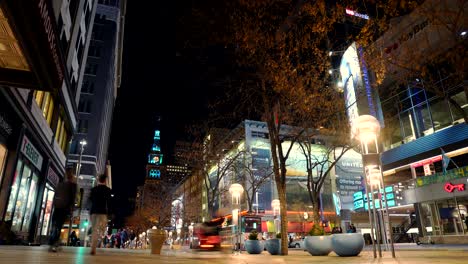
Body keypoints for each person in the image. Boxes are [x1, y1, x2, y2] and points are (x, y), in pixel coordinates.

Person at [48, 167, 77, 252]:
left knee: (55, 223)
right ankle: (54, 242)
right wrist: (72, 208)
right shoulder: (72, 184)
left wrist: (54, 203)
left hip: (57, 206)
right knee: (59, 225)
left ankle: (53, 241)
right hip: (64, 207)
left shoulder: (61, 183)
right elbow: (73, 197)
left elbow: (56, 193)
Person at [89, 174, 112, 255]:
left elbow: (90, 200)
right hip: (103, 212)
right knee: (102, 228)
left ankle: (93, 248)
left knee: (94, 229)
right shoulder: (108, 190)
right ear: (105, 181)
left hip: (94, 211)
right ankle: (101, 238)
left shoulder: (94, 189)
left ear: (98, 180)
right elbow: (109, 203)